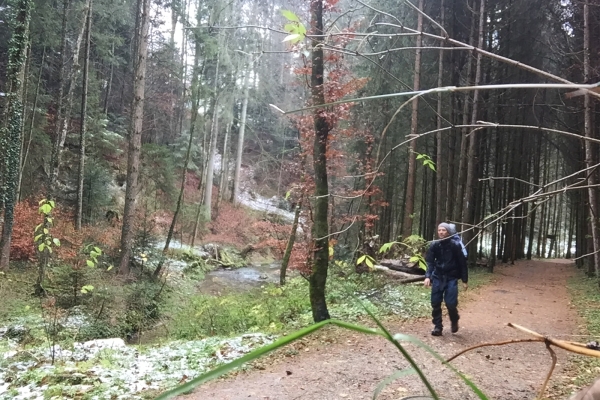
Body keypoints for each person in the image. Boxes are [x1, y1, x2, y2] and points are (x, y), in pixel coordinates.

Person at [424, 222, 468, 336]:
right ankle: (438, 326)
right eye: (439, 230)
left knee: (451, 303)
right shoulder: (434, 245)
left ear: (448, 232)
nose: (441, 232)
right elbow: (430, 261)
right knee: (435, 302)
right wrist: (428, 276)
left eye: (443, 230)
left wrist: (464, 280)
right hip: (437, 277)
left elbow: (462, 263)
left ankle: (454, 319)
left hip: (451, 278)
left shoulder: (455, 245)